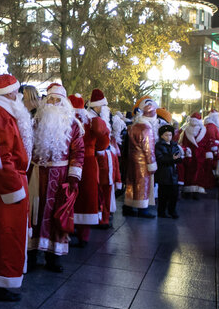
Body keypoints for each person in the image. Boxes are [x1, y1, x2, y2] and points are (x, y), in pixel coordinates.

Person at [0, 73, 32, 301]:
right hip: (5, 186)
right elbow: (3, 155)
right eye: (16, 91)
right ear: (9, 93)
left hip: (2, 182)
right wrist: (14, 188)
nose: (19, 95)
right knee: (5, 233)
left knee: (1, 233)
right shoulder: (1, 114)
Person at [28, 84, 83, 271]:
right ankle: (32, 253)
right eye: (50, 99)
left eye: (57, 100)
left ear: (64, 102)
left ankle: (54, 256)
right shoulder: (36, 122)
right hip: (37, 175)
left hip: (60, 178)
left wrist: (73, 177)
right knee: (34, 212)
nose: (53, 103)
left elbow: (78, 152)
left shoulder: (73, 125)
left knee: (56, 215)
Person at [86, 89, 121, 228]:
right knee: (100, 189)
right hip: (97, 157)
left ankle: (105, 215)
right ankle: (101, 216)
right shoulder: (91, 118)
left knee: (106, 188)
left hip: (106, 157)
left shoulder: (100, 117)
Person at [68, 94, 99, 245]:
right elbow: (104, 143)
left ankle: (67, 228)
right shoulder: (91, 122)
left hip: (69, 162)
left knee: (69, 196)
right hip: (88, 163)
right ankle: (84, 234)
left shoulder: (65, 121)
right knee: (87, 197)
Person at [123, 97, 159, 217]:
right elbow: (148, 149)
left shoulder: (135, 125)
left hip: (132, 159)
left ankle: (128, 206)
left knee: (131, 183)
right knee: (142, 184)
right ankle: (142, 209)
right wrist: (152, 164)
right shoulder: (146, 127)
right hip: (143, 161)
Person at [178, 112, 215, 200]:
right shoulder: (186, 130)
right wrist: (185, 150)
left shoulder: (204, 131)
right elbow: (182, 142)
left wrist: (208, 153)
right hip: (190, 155)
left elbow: (207, 143)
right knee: (188, 173)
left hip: (200, 155)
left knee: (199, 173)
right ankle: (188, 190)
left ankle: (196, 191)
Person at [155, 124, 182, 219]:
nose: (168, 137)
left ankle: (172, 211)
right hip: (163, 173)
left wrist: (178, 158)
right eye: (166, 135)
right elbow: (160, 159)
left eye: (170, 135)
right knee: (163, 195)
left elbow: (178, 157)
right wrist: (172, 158)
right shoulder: (159, 146)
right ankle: (161, 211)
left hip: (173, 173)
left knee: (174, 194)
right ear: (162, 136)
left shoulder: (174, 145)